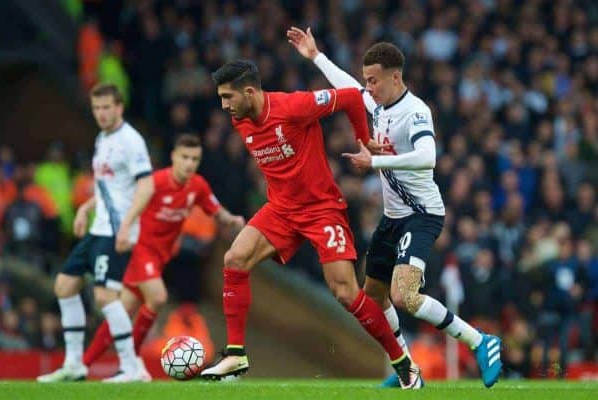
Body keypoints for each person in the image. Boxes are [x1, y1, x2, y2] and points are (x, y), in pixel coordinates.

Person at [287, 27, 502, 388]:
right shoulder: (378, 103)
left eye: (374, 80)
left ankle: (480, 341)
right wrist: (316, 56)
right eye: (367, 80)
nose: (367, 87)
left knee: (405, 295)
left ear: (395, 77)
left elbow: (427, 157)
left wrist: (375, 164)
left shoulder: (415, 112)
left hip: (422, 215)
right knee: (373, 296)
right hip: (394, 218)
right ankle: (407, 371)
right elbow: (348, 87)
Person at [199, 59, 423, 389]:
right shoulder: (241, 119)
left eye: (228, 97)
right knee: (234, 259)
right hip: (281, 210)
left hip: (321, 210)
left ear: (249, 91)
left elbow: (348, 95)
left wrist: (364, 140)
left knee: (346, 293)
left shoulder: (293, 106)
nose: (224, 105)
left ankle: (404, 365)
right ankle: (235, 355)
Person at [81, 134, 245, 378]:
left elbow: (216, 211)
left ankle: (80, 365)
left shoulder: (198, 186)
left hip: (159, 258)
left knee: (121, 312)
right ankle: (131, 364)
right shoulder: (155, 182)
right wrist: (88, 210)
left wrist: (233, 220)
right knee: (158, 297)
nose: (189, 163)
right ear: (173, 158)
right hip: (140, 250)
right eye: (185, 157)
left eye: (195, 159)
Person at [38, 83, 152, 383]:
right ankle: (74, 364)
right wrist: (84, 208)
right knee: (64, 286)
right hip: (97, 228)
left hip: (116, 231)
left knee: (104, 297)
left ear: (119, 107)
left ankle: (130, 367)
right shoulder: (103, 139)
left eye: (106, 107)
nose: (101, 113)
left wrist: (127, 223)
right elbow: (108, 187)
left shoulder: (131, 141)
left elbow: (147, 185)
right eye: (96, 108)